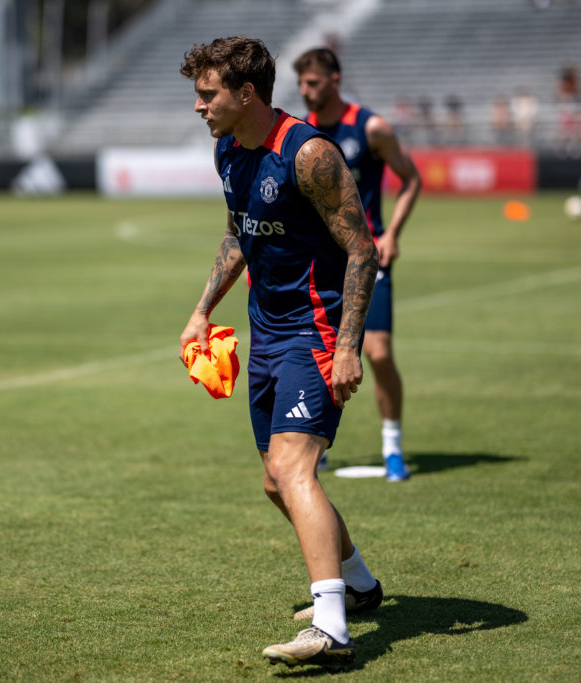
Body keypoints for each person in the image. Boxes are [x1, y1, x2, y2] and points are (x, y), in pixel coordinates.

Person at [179, 36, 382, 669]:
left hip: (315, 336)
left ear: (246, 95)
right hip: (265, 335)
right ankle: (359, 582)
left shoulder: (309, 154)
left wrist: (347, 347)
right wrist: (201, 309)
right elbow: (240, 232)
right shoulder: (228, 151)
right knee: (276, 482)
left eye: (207, 94)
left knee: (296, 470)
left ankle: (332, 630)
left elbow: (362, 250)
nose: (198, 106)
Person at [293, 47, 421, 482]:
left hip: (367, 258)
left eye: (312, 83)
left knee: (378, 352)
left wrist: (391, 234)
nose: (305, 91)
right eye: (301, 84)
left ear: (335, 79)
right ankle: (315, 442)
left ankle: (392, 447)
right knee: (315, 355)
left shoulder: (371, 128)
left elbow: (412, 179)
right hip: (319, 263)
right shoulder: (300, 133)